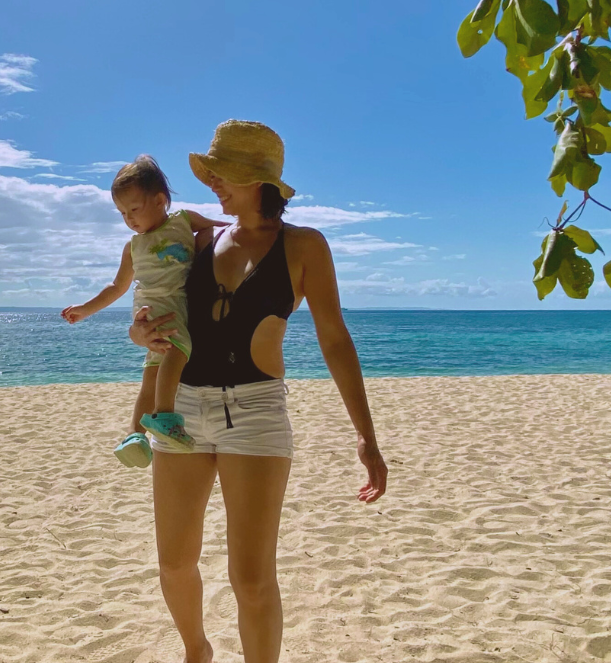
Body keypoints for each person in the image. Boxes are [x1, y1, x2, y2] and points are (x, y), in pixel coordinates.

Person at [129, 120, 388, 663]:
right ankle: (196, 650)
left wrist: (365, 437)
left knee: (250, 579)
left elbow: (335, 341)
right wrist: (139, 330)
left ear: (258, 180)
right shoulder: (196, 239)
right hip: (181, 412)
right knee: (174, 563)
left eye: (224, 175)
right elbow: (155, 305)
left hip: (256, 414)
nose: (215, 185)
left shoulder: (303, 246)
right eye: (213, 174)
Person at [61, 155, 225, 466]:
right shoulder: (132, 247)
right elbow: (117, 287)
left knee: (152, 375)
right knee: (180, 350)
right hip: (163, 309)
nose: (129, 219)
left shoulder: (183, 221)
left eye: (134, 209)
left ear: (161, 200)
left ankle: (134, 434)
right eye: (122, 213)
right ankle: (164, 416)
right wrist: (85, 310)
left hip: (163, 309)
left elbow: (222, 228)